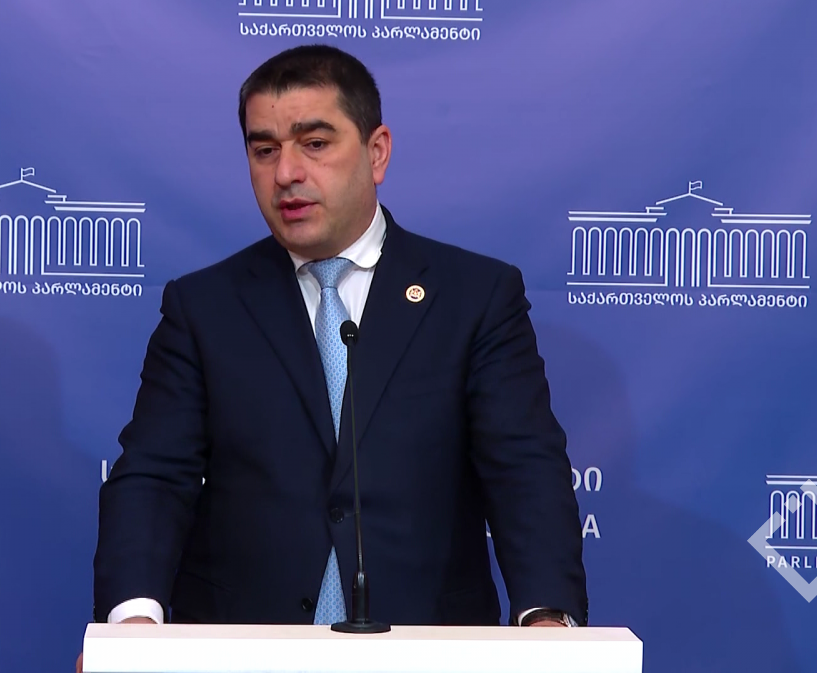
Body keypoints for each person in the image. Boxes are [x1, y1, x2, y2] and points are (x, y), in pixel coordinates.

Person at [90, 43, 587, 643]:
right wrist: (133, 625)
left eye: (315, 143)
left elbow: (524, 470)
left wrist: (547, 618)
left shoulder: (474, 297)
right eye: (264, 150)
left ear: (377, 153)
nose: (286, 174)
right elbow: (153, 476)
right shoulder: (202, 307)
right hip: (242, 646)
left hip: (425, 644)